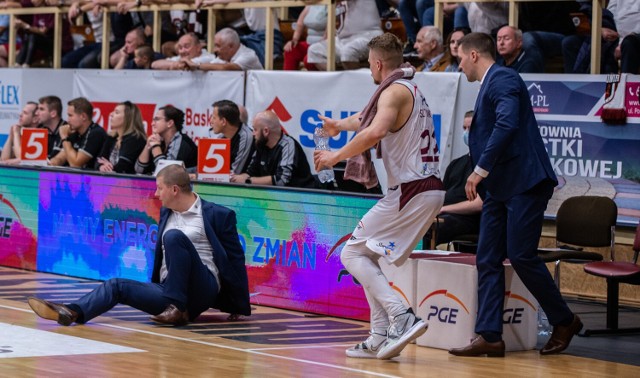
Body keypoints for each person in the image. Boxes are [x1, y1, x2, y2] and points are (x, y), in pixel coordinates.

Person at [448, 32, 582, 358]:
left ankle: (564, 320)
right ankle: (490, 335)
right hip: (500, 187)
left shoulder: (504, 78)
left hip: (524, 182)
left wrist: (479, 169)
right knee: (488, 258)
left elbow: (506, 125)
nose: (459, 64)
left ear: (475, 55)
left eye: (461, 57)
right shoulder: (489, 85)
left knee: (521, 255)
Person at [313, 33, 445, 360]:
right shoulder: (404, 87)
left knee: (351, 254)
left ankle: (402, 316)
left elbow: (375, 131)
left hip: (412, 190)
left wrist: (334, 156)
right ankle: (378, 336)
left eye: (369, 66)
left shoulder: (395, 91)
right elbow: (363, 120)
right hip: (421, 189)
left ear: (376, 63)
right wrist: (337, 127)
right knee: (365, 256)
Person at [27, 164, 251, 326]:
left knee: (173, 237)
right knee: (116, 285)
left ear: (174, 189)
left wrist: (238, 305)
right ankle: (72, 312)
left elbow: (234, 258)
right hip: (170, 289)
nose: (155, 194)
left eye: (159, 188)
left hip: (203, 287)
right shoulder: (166, 212)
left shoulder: (218, 215)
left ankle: (177, 307)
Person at [424, 110, 482, 249]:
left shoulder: (485, 167)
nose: (467, 132)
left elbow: (479, 204)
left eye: (471, 128)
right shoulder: (456, 163)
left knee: (428, 229)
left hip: (469, 220)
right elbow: (442, 195)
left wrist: (444, 209)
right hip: (445, 214)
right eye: (464, 128)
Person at [232, 110, 316, 189]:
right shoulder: (261, 144)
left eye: (255, 129)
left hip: (302, 196)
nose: (253, 133)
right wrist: (236, 178)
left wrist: (248, 180)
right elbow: (251, 172)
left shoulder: (287, 145)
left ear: (266, 131)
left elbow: (281, 180)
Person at [307, 0, 383, 70]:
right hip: (343, 39)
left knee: (348, 52)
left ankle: (357, 83)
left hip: (368, 35)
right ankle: (338, 81)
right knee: (314, 50)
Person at [135, 105, 197, 174]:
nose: (152, 124)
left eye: (157, 119)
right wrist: (147, 146)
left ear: (170, 123)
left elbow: (167, 174)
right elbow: (139, 170)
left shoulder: (182, 141)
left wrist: (156, 147)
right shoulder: (159, 140)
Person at [95, 101, 147, 174]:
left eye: (116, 112)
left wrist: (108, 167)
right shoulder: (112, 137)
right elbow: (98, 160)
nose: (111, 114)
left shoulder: (135, 139)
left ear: (127, 118)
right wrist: (101, 166)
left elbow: (123, 167)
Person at [58, 97, 107, 169]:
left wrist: (64, 137)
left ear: (83, 116)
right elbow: (61, 158)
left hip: (95, 179)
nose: (67, 120)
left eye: (70, 115)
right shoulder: (74, 132)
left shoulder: (96, 133)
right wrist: (50, 163)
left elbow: (75, 164)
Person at [209, 100, 254, 175]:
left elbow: (235, 173)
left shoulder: (246, 137)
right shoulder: (221, 137)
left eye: (214, 118)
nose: (211, 121)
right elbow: (212, 167)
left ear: (223, 121)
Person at [190, 28, 262, 71]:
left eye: (218, 46)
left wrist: (197, 66)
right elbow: (210, 64)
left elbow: (226, 67)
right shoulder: (223, 56)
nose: (215, 50)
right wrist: (186, 64)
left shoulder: (248, 55)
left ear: (230, 46)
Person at [282, 4, 326, 71]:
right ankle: (287, 79)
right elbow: (300, 23)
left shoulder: (332, 4)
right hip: (309, 43)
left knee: (308, 59)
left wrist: (318, 46)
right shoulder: (311, 4)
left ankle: (314, 80)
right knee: (290, 50)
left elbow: (330, 31)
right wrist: (294, 40)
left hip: (323, 45)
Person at [36, 95, 67, 165]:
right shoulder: (39, 130)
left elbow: (58, 160)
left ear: (53, 114)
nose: (37, 113)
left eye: (41, 109)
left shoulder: (68, 130)